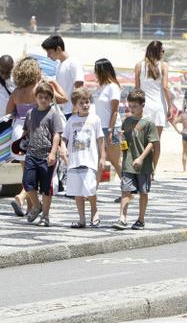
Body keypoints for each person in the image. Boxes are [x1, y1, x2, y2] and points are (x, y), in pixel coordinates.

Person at [7, 57, 65, 216]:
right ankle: (21, 197)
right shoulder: (39, 89)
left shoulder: (16, 91)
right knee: (35, 173)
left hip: (18, 132)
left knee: (27, 172)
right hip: (35, 130)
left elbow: (8, 114)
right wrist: (52, 83)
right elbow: (62, 99)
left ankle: (29, 207)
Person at [113, 90, 159, 231]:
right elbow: (124, 145)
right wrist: (122, 140)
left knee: (143, 192)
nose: (131, 109)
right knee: (125, 191)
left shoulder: (148, 123)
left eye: (134, 106)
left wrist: (141, 158)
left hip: (143, 165)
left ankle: (141, 219)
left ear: (142, 105)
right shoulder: (126, 121)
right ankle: (122, 218)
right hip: (128, 163)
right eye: (130, 106)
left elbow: (152, 143)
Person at [20, 81, 63, 226]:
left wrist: (53, 153)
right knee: (27, 182)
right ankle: (37, 205)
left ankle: (45, 216)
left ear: (51, 98)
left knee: (46, 187)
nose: (43, 100)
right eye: (40, 97)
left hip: (47, 156)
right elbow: (26, 132)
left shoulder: (53, 114)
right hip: (31, 154)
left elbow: (57, 135)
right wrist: (20, 143)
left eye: (46, 97)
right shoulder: (30, 113)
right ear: (36, 97)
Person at [62, 87, 105, 228]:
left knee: (90, 188)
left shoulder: (95, 119)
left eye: (87, 102)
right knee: (77, 192)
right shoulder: (71, 120)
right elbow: (64, 138)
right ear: (75, 105)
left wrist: (102, 157)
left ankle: (94, 211)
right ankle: (81, 218)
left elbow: (100, 139)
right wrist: (62, 151)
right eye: (82, 103)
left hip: (89, 160)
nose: (85, 105)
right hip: (74, 161)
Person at [134, 41, 172, 171]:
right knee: (155, 141)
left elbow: (137, 88)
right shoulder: (163, 66)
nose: (163, 53)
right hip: (159, 106)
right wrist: (170, 106)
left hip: (144, 106)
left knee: (142, 140)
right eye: (162, 51)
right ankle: (152, 171)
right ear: (158, 52)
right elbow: (165, 87)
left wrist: (134, 107)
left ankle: (141, 166)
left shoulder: (139, 65)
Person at [93, 59, 122, 179]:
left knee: (115, 161)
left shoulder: (113, 87)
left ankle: (129, 189)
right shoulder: (100, 87)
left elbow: (115, 111)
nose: (94, 73)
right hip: (100, 127)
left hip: (112, 128)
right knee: (99, 160)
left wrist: (110, 131)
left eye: (96, 70)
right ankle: (92, 192)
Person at [41, 34, 83, 118]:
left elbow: (79, 86)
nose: (48, 56)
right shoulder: (59, 65)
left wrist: (75, 108)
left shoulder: (73, 63)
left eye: (49, 52)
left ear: (59, 49)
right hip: (61, 110)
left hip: (71, 111)